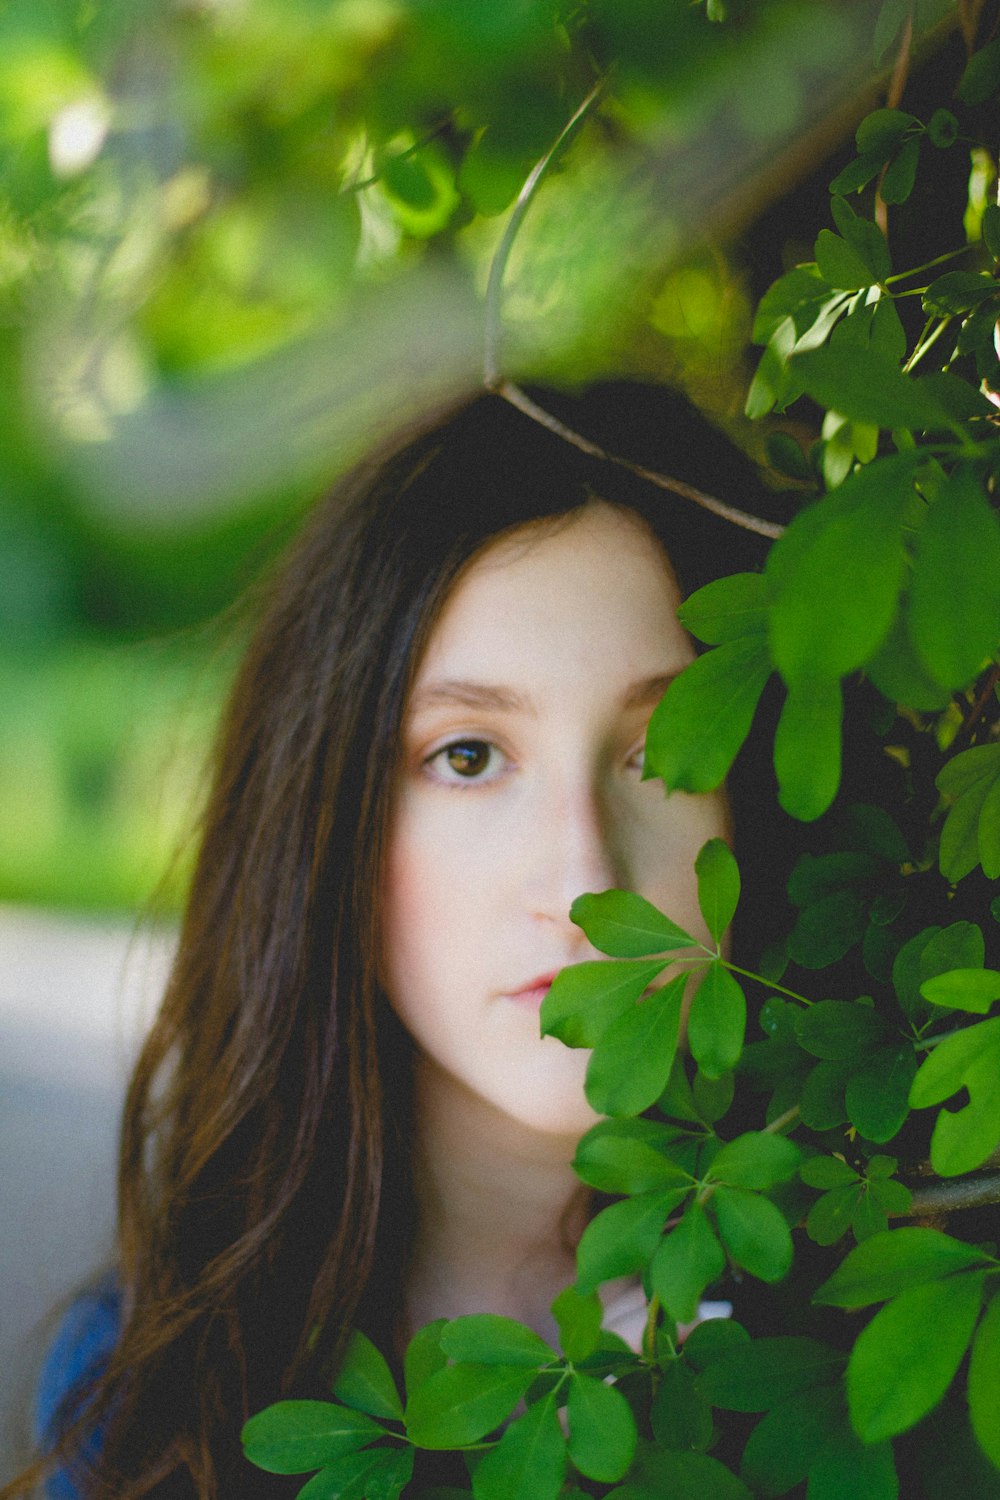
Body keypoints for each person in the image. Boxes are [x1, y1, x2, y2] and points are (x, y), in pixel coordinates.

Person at [13, 384, 786, 1499]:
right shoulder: (165, 1380)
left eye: (667, 747)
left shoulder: (866, 1324)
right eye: (468, 756)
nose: (583, 880)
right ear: (325, 819)